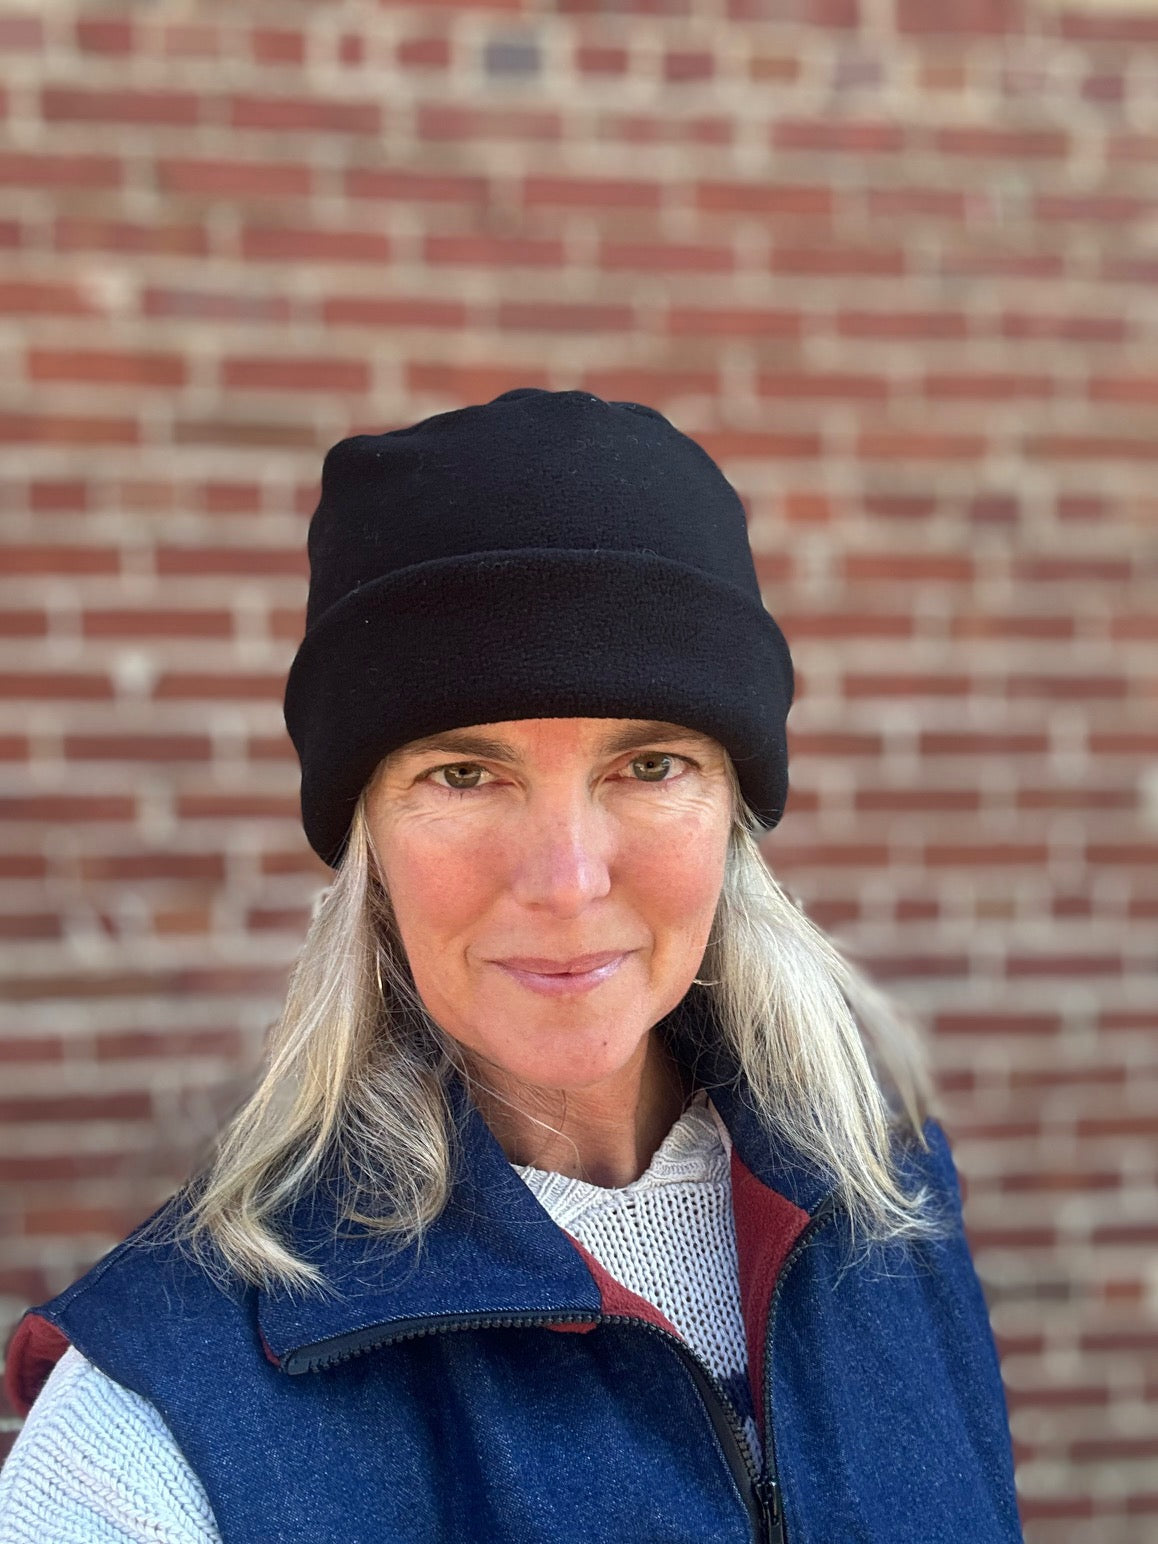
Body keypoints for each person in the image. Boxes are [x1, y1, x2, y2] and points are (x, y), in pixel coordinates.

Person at [0, 388, 1023, 1543]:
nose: (568, 878)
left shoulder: (889, 1207)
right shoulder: (153, 1430)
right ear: (366, 840)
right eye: (464, 774)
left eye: (649, 764)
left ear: (735, 808)